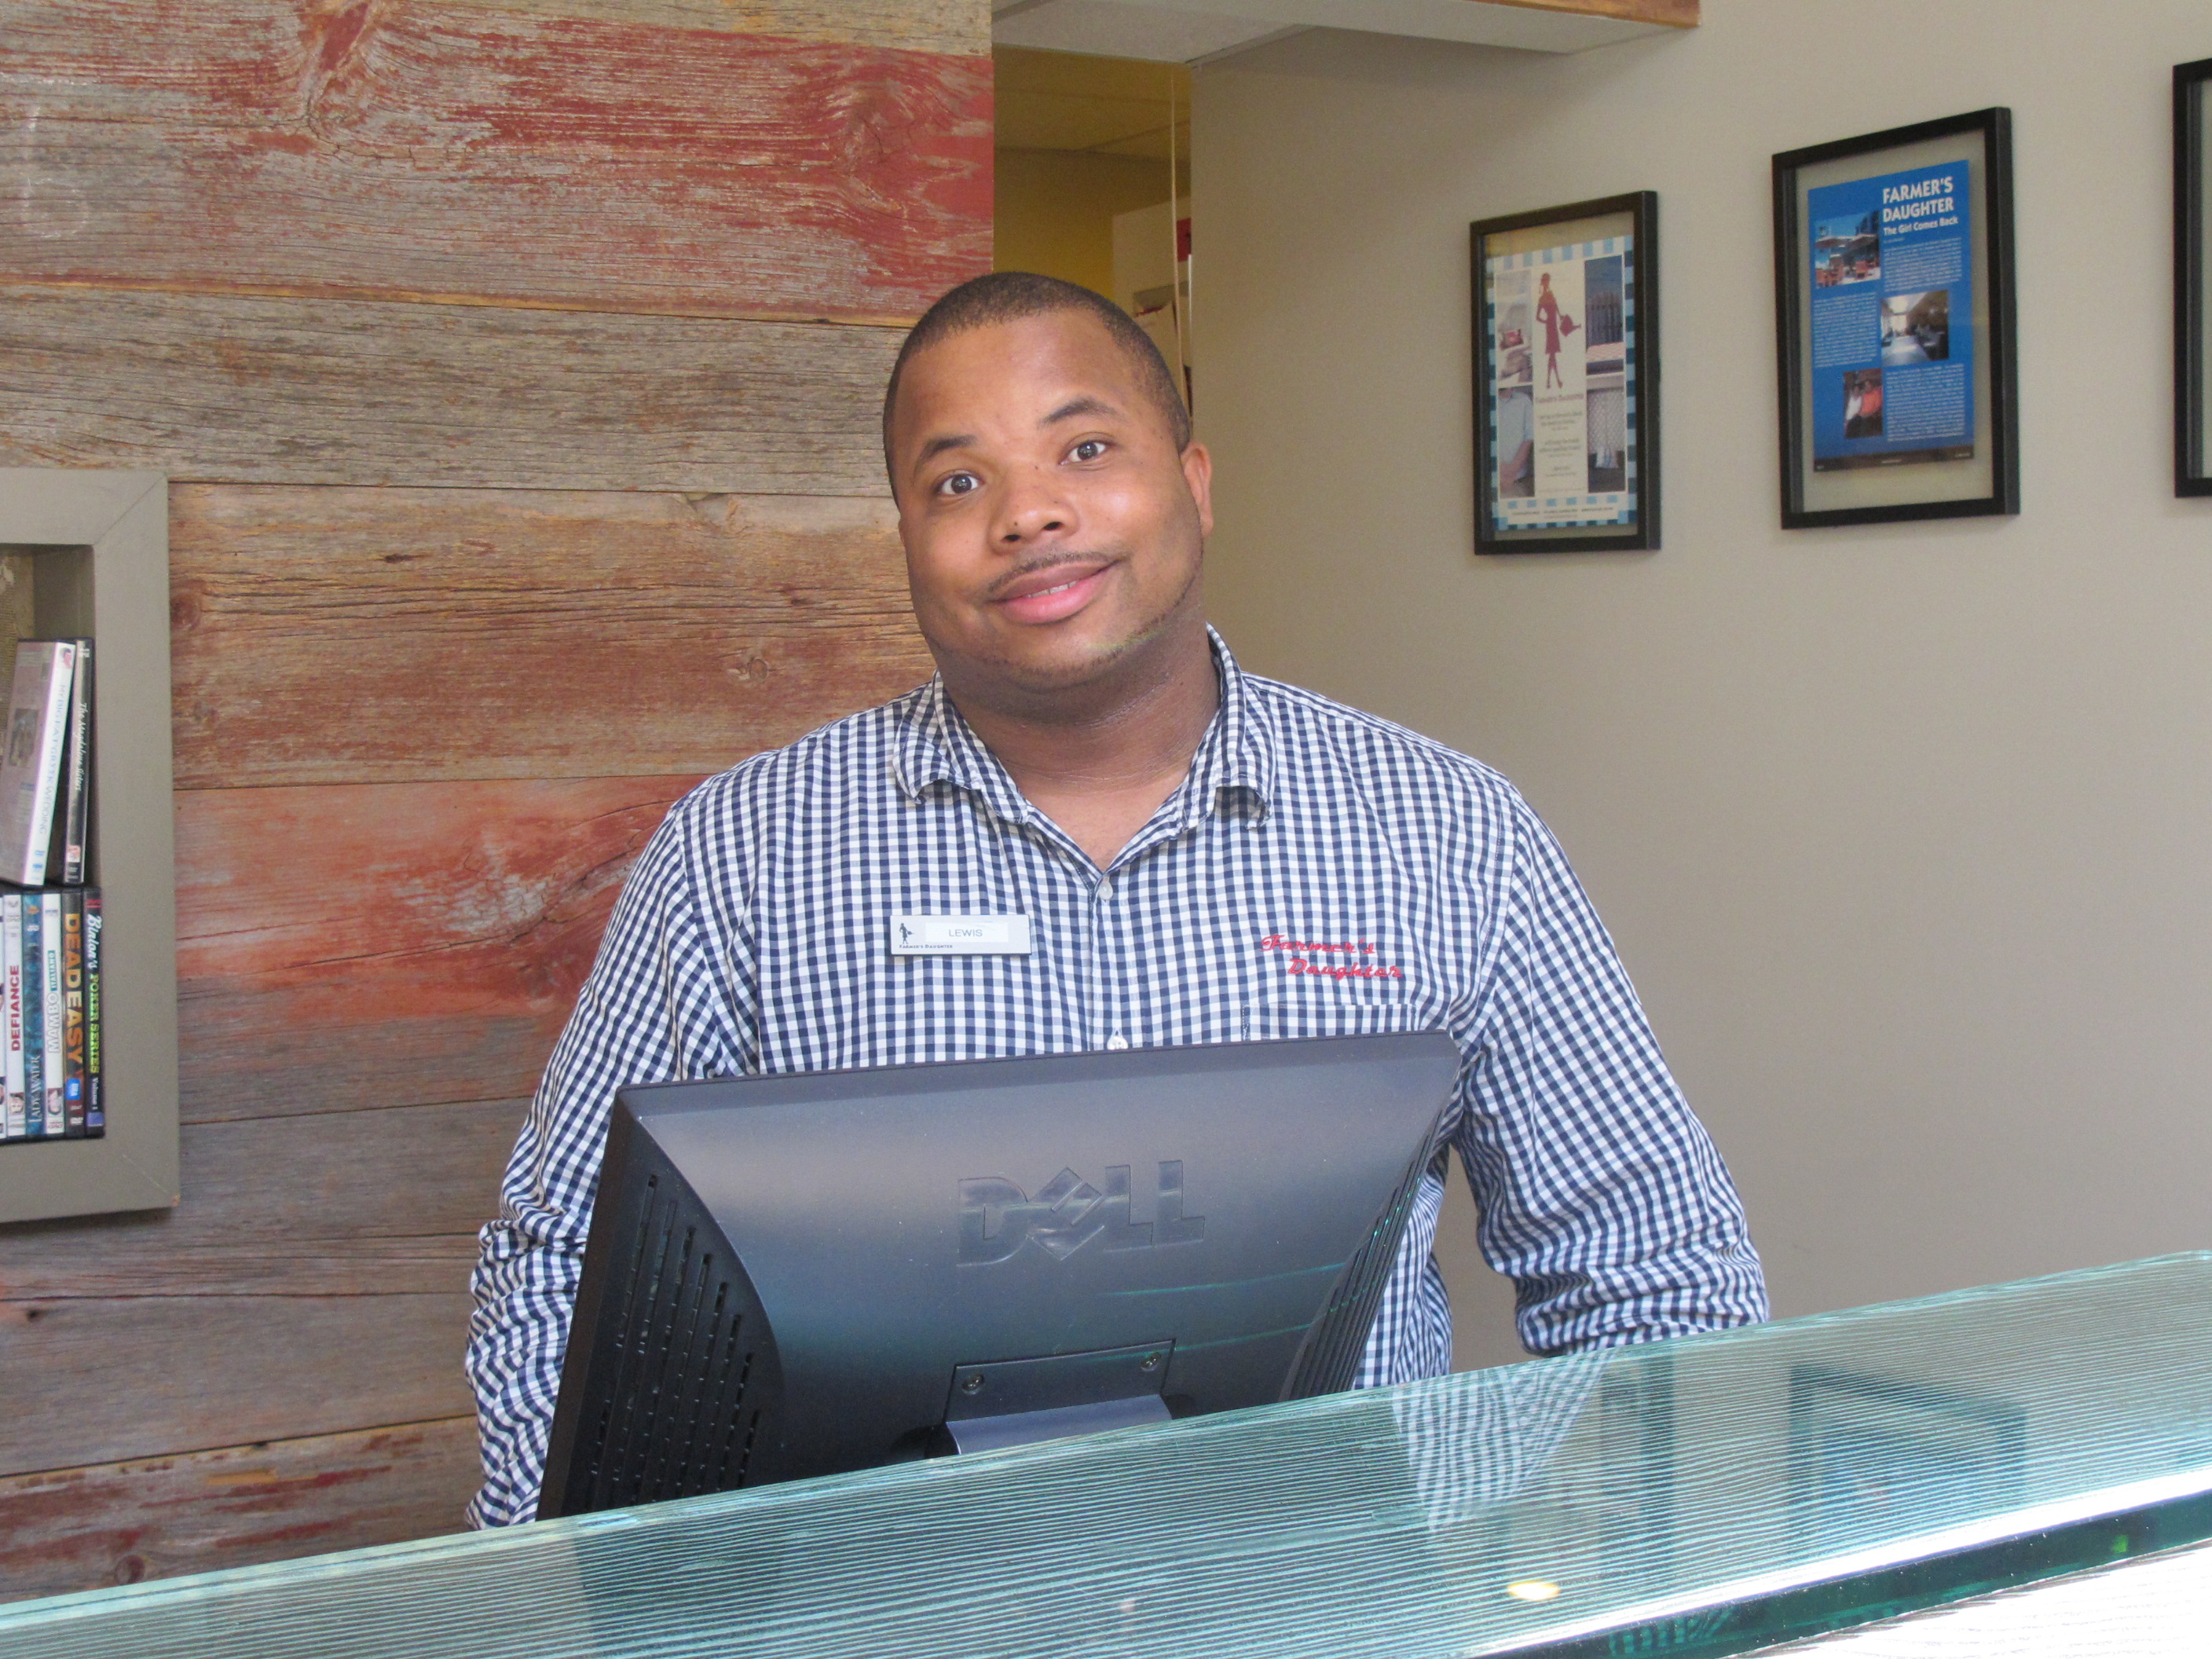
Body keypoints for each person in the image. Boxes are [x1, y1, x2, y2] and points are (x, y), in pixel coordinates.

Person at [463, 272, 1766, 1527]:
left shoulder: (1444, 831)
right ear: (905, 539)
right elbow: (556, 1267)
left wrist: (1599, 1589)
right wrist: (600, 1603)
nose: (1027, 514)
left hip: (1333, 1610)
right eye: (957, 481)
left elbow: (1653, 1268)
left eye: (1084, 450)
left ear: (1195, 482)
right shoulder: (745, 853)